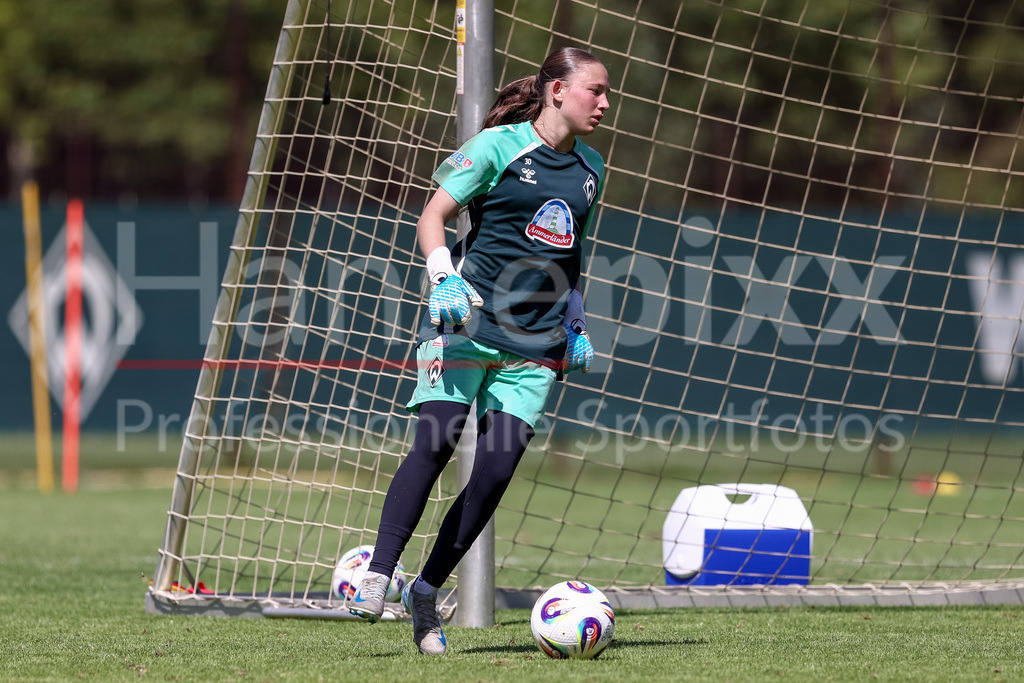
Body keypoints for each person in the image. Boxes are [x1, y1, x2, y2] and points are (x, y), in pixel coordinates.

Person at [347, 46, 611, 655]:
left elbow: (571, 256)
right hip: (466, 326)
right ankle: (378, 574)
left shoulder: (593, 168)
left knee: (494, 473)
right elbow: (433, 216)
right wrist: (444, 276)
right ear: (556, 92)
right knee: (436, 443)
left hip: (536, 344)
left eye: (604, 92)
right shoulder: (497, 146)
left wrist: (574, 321)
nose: (604, 102)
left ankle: (424, 591)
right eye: (594, 90)